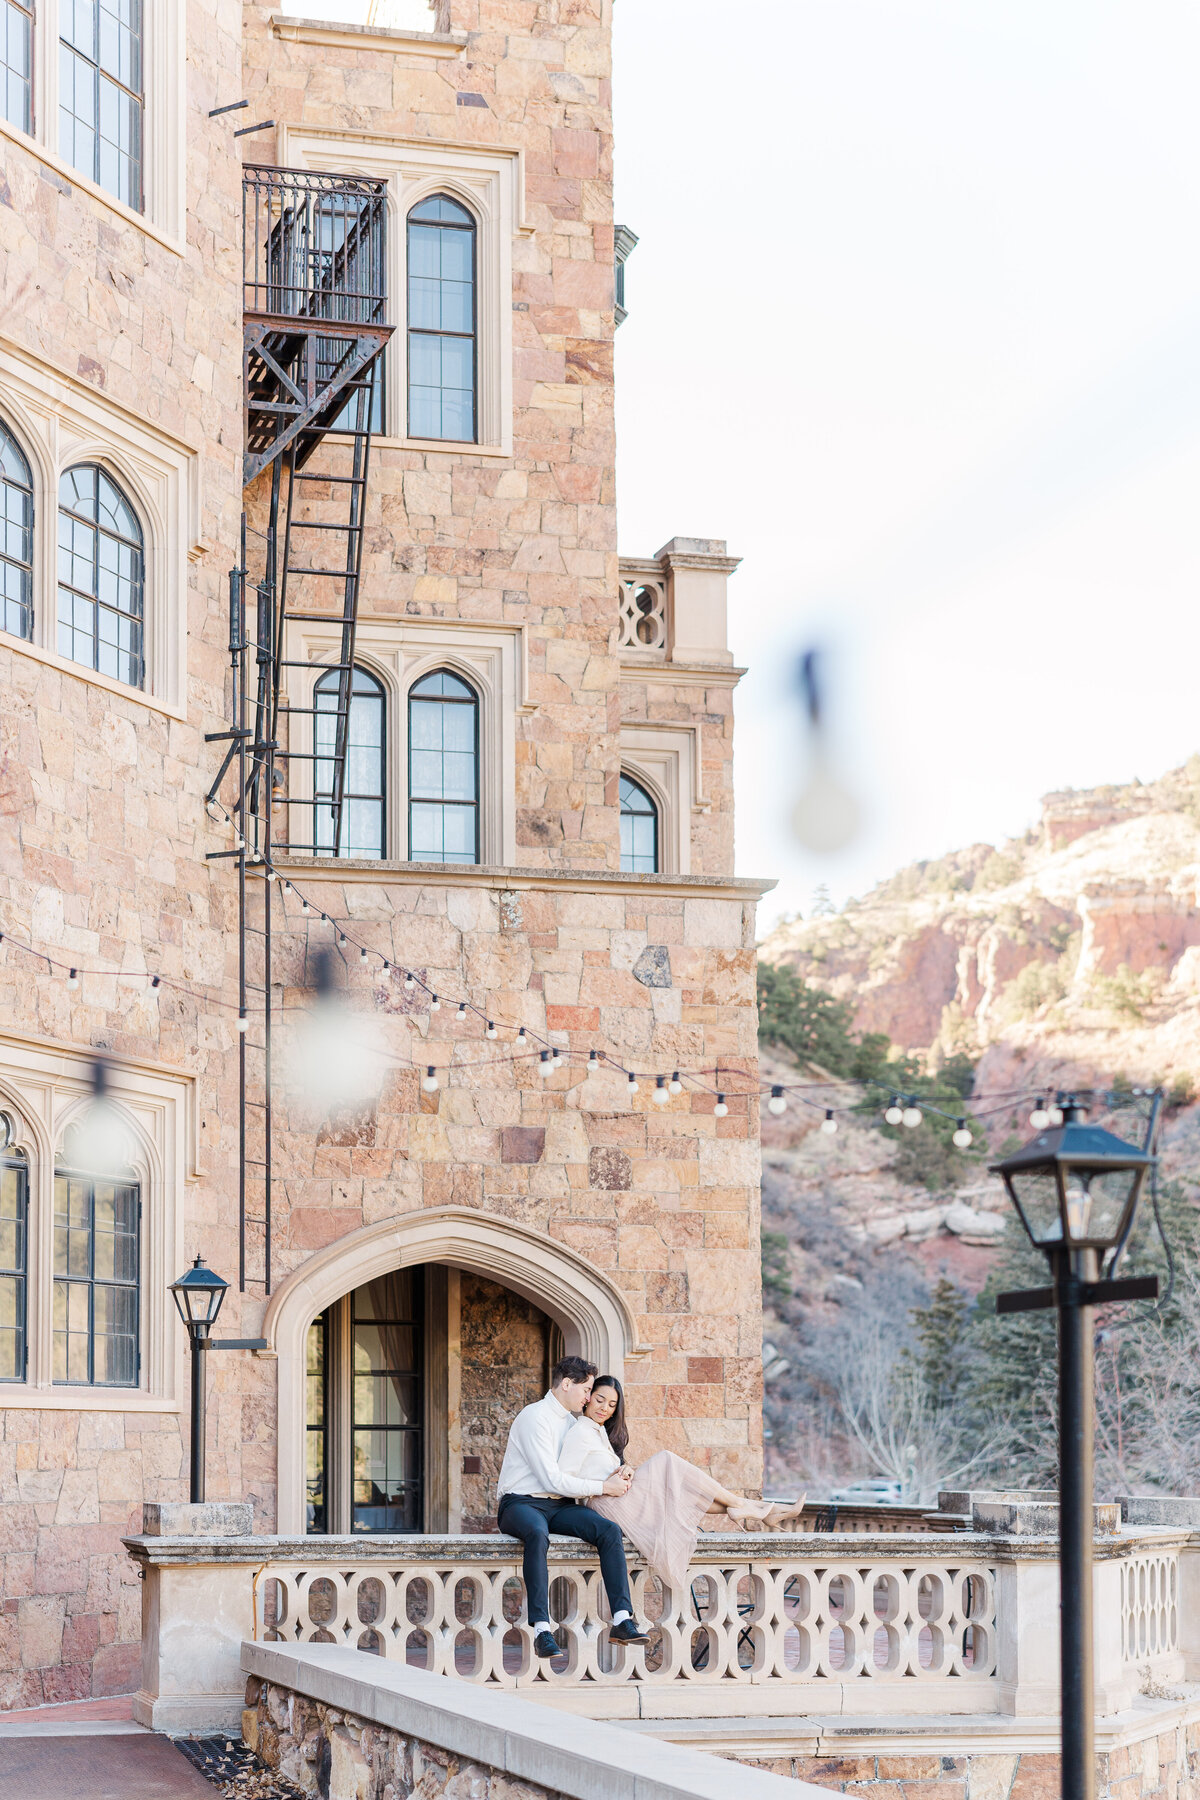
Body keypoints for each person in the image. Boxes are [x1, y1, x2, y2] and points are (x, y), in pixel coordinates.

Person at [558, 1375, 807, 1594]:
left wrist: (626, 1469)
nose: (604, 1408)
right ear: (588, 1397)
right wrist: (602, 1485)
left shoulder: (598, 1432)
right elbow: (565, 1481)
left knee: (678, 1490)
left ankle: (759, 1511)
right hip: (607, 1504)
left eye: (612, 1405)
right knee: (667, 1462)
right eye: (600, 1400)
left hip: (619, 1496)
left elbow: (600, 1467)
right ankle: (751, 1508)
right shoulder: (580, 1432)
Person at [496, 1355, 651, 1659]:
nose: (589, 1398)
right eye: (586, 1390)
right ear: (566, 1384)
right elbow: (552, 1479)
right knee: (538, 1533)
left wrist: (621, 1470)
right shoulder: (534, 1417)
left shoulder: (574, 1423)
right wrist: (604, 1487)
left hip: (560, 1506)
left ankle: (622, 1619)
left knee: (608, 1530)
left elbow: (588, 1467)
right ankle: (542, 1628)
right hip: (520, 1503)